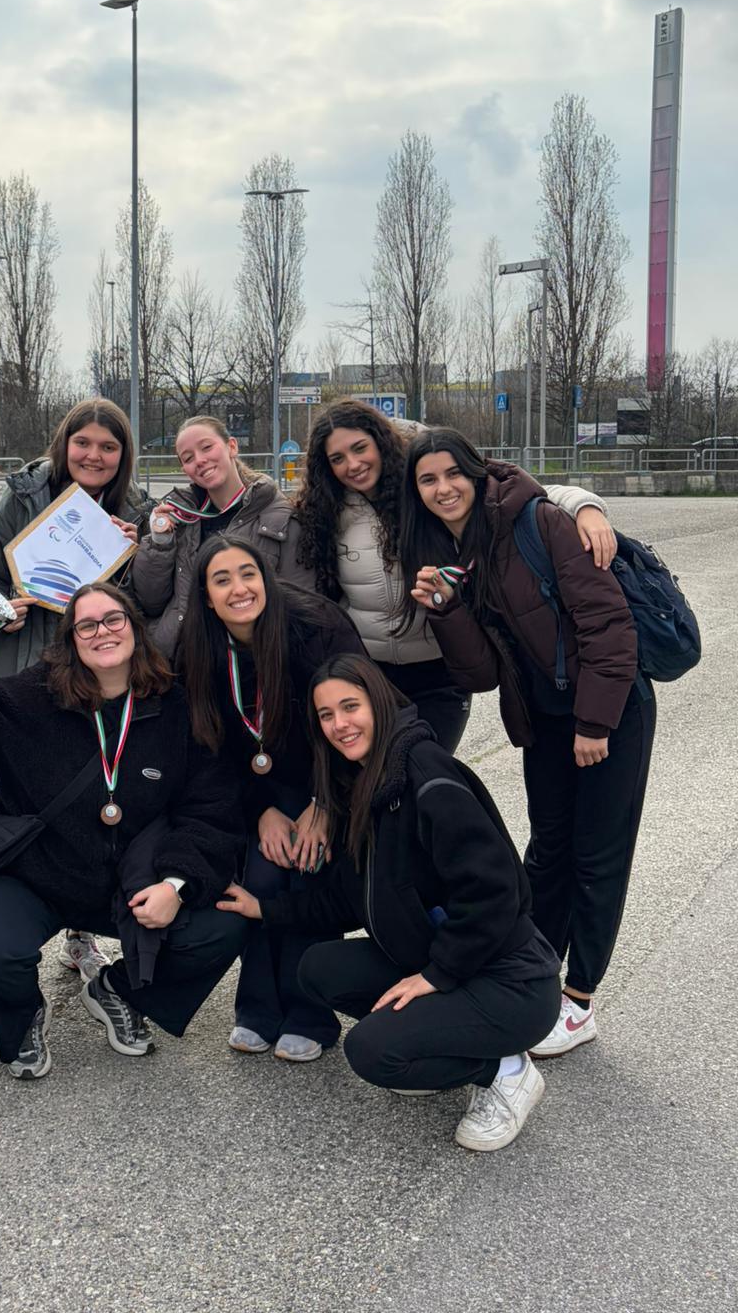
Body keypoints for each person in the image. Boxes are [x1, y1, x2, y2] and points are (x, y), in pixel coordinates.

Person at [219, 655, 562, 1153]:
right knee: (318, 968)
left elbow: (496, 892)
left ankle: (504, 1070)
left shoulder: (427, 775)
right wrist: (265, 910)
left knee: (372, 1052)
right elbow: (345, 899)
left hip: (510, 981)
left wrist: (436, 975)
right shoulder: (360, 782)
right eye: (326, 715)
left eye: (350, 706)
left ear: (378, 703)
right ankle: (440, 1039)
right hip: (442, 961)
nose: (339, 724)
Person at [0, 583, 246, 1080]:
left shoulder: (178, 706)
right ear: (71, 640)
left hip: (128, 879)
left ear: (135, 628)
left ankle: (117, 990)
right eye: (86, 625)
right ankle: (21, 1011)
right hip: (36, 871)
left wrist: (175, 884)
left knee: (222, 922)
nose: (102, 632)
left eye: (113, 620)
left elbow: (210, 809)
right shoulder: (32, 695)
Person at [398, 428, 654, 1059]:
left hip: (608, 709)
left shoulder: (541, 523)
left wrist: (595, 723)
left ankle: (580, 999)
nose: (442, 489)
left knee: (597, 858)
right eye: (427, 481)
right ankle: (535, 977)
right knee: (547, 851)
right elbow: (482, 675)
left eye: (451, 474)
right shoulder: (456, 550)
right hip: (542, 717)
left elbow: (608, 624)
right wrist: (447, 612)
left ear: (476, 472)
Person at [294, 400, 616, 754]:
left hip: (439, 672)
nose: (353, 465)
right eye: (337, 458)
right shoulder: (323, 512)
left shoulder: (421, 488)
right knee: (378, 781)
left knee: (424, 768)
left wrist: (585, 506)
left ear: (379, 442)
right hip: (372, 674)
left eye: (359, 448)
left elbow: (510, 491)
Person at [0, 397, 153, 984]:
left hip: (95, 678)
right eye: (84, 443)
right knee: (18, 800)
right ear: (65, 444)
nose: (94, 455)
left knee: (86, 807)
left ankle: (81, 935)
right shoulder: (25, 497)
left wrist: (138, 553)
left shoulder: (139, 512)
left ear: (122, 456)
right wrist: (1, 606)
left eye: (108, 447)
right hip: (27, 667)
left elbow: (145, 608)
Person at [178, 536, 364, 1062]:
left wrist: (327, 803)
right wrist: (259, 810)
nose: (239, 589)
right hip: (258, 789)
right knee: (261, 874)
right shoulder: (199, 646)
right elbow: (207, 748)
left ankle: (311, 1012)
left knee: (310, 865)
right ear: (206, 597)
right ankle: (258, 1007)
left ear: (265, 578)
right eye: (222, 580)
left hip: (330, 778)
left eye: (248, 574)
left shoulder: (317, 627)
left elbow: (357, 718)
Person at [131, 416, 311, 662]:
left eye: (206, 447)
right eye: (188, 458)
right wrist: (160, 543)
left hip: (251, 666)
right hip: (182, 662)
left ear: (232, 447)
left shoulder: (281, 518)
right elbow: (151, 601)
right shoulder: (180, 519)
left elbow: (302, 606)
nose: (200, 460)